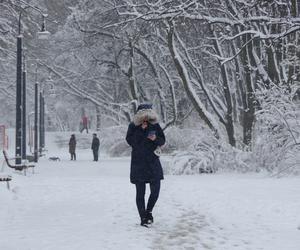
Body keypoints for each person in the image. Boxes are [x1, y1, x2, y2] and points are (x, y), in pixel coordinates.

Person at [126, 103, 166, 227]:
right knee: (140, 193)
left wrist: (155, 139)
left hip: (153, 163)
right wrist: (141, 131)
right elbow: (130, 141)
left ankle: (149, 212)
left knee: (155, 192)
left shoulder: (155, 125)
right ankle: (143, 217)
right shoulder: (133, 126)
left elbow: (162, 140)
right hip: (138, 164)